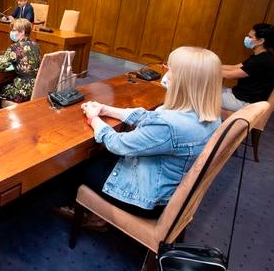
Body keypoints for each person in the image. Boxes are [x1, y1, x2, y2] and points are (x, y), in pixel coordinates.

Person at [56, 46, 222, 229]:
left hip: (145, 198)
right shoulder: (210, 116)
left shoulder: (168, 125)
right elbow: (148, 117)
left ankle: (91, 215)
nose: (166, 74)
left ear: (184, 81)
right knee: (99, 155)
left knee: (75, 164)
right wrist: (106, 109)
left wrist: (94, 118)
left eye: (170, 70)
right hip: (163, 185)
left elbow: (117, 144)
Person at [221, 23, 274, 111]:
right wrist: (214, 65)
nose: (247, 39)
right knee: (206, 90)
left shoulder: (262, 61)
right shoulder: (262, 56)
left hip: (245, 102)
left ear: (261, 41)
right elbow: (235, 67)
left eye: (250, 37)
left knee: (200, 95)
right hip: (240, 95)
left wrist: (206, 68)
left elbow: (230, 75)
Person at [0, 19, 40, 102]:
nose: (12, 32)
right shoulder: (36, 45)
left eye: (14, 30)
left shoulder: (15, 47)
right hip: (36, 89)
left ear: (22, 31)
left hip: (22, 91)